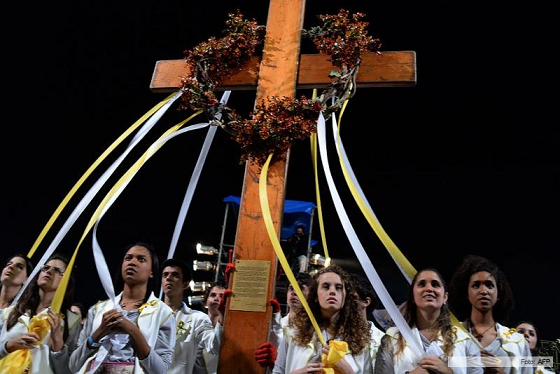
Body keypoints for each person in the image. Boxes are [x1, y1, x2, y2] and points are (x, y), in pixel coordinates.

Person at [69, 241, 175, 373]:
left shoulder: (163, 314)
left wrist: (133, 331)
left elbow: (160, 370)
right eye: (128, 258)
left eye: (141, 259)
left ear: (152, 272)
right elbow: (73, 365)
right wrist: (99, 332)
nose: (132, 262)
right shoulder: (97, 310)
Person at [374, 267, 483, 374]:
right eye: (422, 284)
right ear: (412, 296)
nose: (429, 289)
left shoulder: (464, 340)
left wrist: (449, 372)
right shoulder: (392, 339)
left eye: (435, 284)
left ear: (445, 297)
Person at [272, 264, 373, 374]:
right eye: (326, 286)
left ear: (345, 296)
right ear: (315, 295)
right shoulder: (293, 333)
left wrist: (348, 371)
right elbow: (277, 371)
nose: (332, 291)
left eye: (338, 287)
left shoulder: (360, 342)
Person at [448, 255, 532, 374]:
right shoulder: (449, 336)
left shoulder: (518, 342)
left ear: (498, 293)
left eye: (489, 285)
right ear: (467, 293)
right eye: (476, 285)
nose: (483, 291)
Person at [0, 253, 78, 374]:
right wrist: (9, 345)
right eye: (45, 268)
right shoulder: (10, 312)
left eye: (57, 271)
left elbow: (69, 370)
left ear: (67, 281)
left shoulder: (72, 321)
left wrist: (58, 344)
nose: (49, 271)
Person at [161, 258, 222, 374]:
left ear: (185, 284)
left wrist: (222, 316)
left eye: (175, 275)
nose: (168, 278)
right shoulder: (147, 314)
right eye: (165, 275)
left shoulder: (197, 319)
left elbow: (214, 347)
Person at [254, 271, 315, 369]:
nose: (294, 292)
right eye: (291, 288)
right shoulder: (278, 323)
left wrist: (277, 361)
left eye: (300, 289)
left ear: (310, 296)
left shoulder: (313, 331)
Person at [351, 273, 385, 368]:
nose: (345, 302)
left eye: (351, 298)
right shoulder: (332, 337)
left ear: (366, 302)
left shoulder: (382, 341)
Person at [193, 280, 227, 374]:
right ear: (205, 303)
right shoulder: (195, 327)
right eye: (213, 295)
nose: (217, 298)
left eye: (222, 296)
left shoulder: (232, 333)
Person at [0, 253, 34, 332]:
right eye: (9, 264)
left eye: (19, 266)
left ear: (26, 279)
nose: (11, 267)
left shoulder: (23, 315)